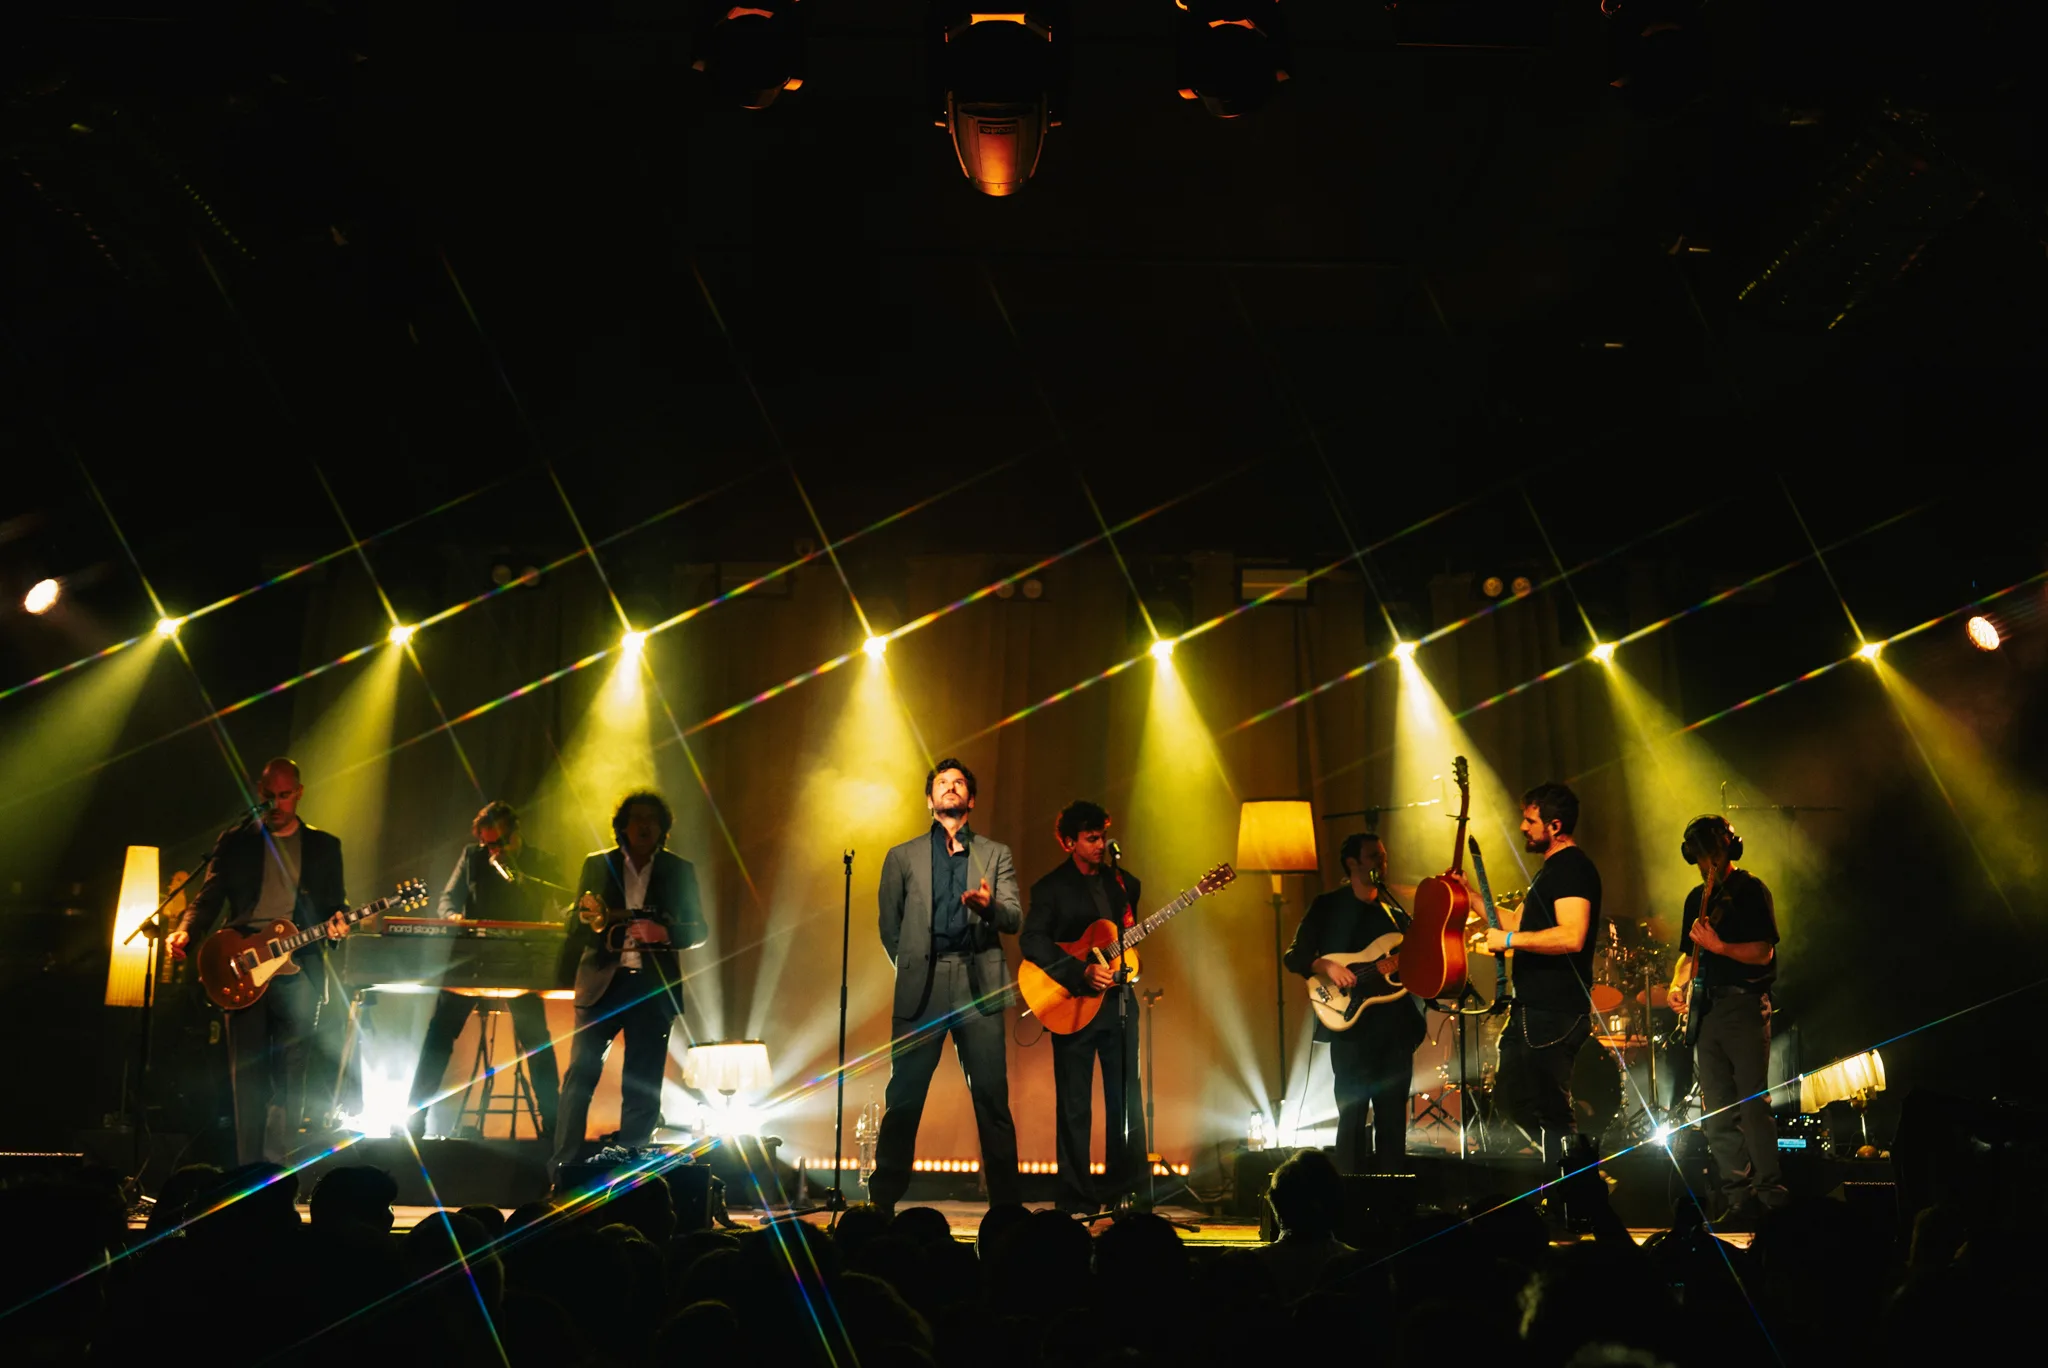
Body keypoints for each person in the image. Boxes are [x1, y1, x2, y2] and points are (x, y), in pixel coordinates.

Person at [167, 758, 352, 1164]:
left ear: (299, 792)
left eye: (285, 796)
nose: (277, 804)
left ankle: (280, 1170)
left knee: (293, 1069)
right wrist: (187, 930)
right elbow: (209, 896)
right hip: (245, 958)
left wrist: (338, 925)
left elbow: (335, 904)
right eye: (270, 796)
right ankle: (246, 1170)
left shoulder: (325, 846)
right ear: (258, 792)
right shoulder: (236, 841)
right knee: (246, 1073)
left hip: (297, 963)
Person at [869, 758, 1023, 1216]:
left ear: (971, 800)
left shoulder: (996, 854)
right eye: (942, 783)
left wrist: (990, 906)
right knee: (904, 1096)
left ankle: (1007, 1208)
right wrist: (914, 966)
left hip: (979, 980)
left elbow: (1014, 918)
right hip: (925, 982)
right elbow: (888, 926)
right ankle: (882, 1203)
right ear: (930, 800)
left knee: (992, 1096)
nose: (951, 788)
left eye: (959, 784)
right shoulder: (902, 855)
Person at [551, 790, 708, 1178]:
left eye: (651, 820)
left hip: (652, 990)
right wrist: (583, 922)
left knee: (642, 1088)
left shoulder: (679, 869)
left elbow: (699, 929)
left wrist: (664, 932)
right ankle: (562, 1172)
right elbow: (576, 924)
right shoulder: (596, 864)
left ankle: (631, 1179)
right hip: (602, 987)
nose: (643, 825)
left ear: (662, 829)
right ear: (622, 826)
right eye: (636, 818)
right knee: (578, 1082)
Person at [407, 800, 567, 1140]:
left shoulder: (540, 863)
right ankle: (413, 1118)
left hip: (519, 961)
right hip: (474, 962)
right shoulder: (472, 857)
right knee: (440, 1032)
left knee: (536, 1039)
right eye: (487, 843)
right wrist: (453, 917)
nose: (491, 850)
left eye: (498, 842)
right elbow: (448, 899)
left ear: (515, 834)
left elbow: (566, 903)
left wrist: (519, 877)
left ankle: (553, 1126)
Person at [1021, 800, 1148, 1212]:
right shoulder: (1050, 888)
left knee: (1125, 1102)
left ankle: (1123, 1195)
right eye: (1091, 838)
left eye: (1102, 837)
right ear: (1070, 842)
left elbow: (1126, 936)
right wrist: (1078, 972)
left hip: (1118, 1005)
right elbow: (1032, 941)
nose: (1100, 844)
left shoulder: (1124, 884)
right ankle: (1076, 1199)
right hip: (1072, 1007)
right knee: (1075, 1106)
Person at [1283, 831, 1427, 1171]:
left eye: (1383, 856)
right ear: (1352, 863)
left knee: (1392, 1123)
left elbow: (1420, 962)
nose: (1383, 863)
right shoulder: (1328, 906)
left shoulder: (1393, 914)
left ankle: (1391, 1205)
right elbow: (1294, 956)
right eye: (1374, 856)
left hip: (1395, 1030)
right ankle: (1347, 1198)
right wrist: (1325, 965)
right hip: (1351, 1031)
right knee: (1351, 1120)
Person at [1670, 813, 1787, 1223]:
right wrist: (1677, 983)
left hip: (1744, 1005)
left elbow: (1763, 952)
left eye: (1711, 853)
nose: (1707, 862)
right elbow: (1688, 953)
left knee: (1752, 1103)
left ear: (1725, 849)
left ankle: (1769, 1197)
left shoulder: (1751, 890)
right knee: (1716, 1108)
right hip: (1708, 1010)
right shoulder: (1693, 899)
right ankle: (1738, 1198)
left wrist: (1720, 947)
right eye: (1701, 856)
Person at [1481, 781, 1602, 1170]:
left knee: (1550, 1109)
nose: (1522, 826)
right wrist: (1468, 897)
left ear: (1554, 825)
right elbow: (1519, 922)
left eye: (1530, 819)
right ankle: (1576, 1176)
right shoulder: (1550, 872)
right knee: (1513, 1099)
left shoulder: (1572, 869)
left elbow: (1571, 935)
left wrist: (1510, 939)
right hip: (1532, 1008)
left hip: (1555, 1009)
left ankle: (1575, 1189)